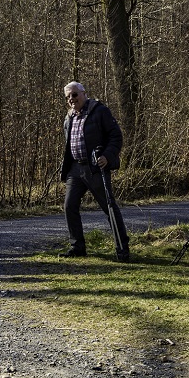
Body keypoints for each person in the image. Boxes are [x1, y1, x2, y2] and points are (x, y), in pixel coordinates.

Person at [59, 81, 129, 261]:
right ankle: (77, 247)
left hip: (95, 168)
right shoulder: (69, 118)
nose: (71, 99)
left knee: (109, 207)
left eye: (74, 95)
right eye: (68, 97)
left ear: (83, 93)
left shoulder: (100, 111)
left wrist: (107, 156)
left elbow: (116, 136)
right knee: (69, 206)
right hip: (75, 169)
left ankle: (122, 248)